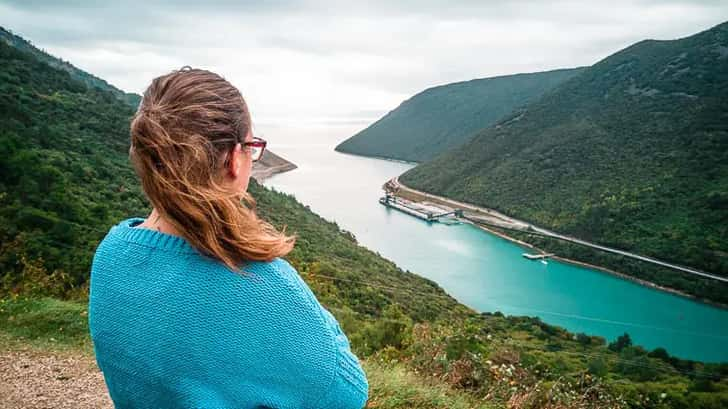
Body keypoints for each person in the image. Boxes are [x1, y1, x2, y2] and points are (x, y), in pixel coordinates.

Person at [88, 67, 368, 408]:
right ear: (234, 159)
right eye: (251, 147)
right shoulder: (263, 284)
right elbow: (347, 394)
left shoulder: (111, 255)